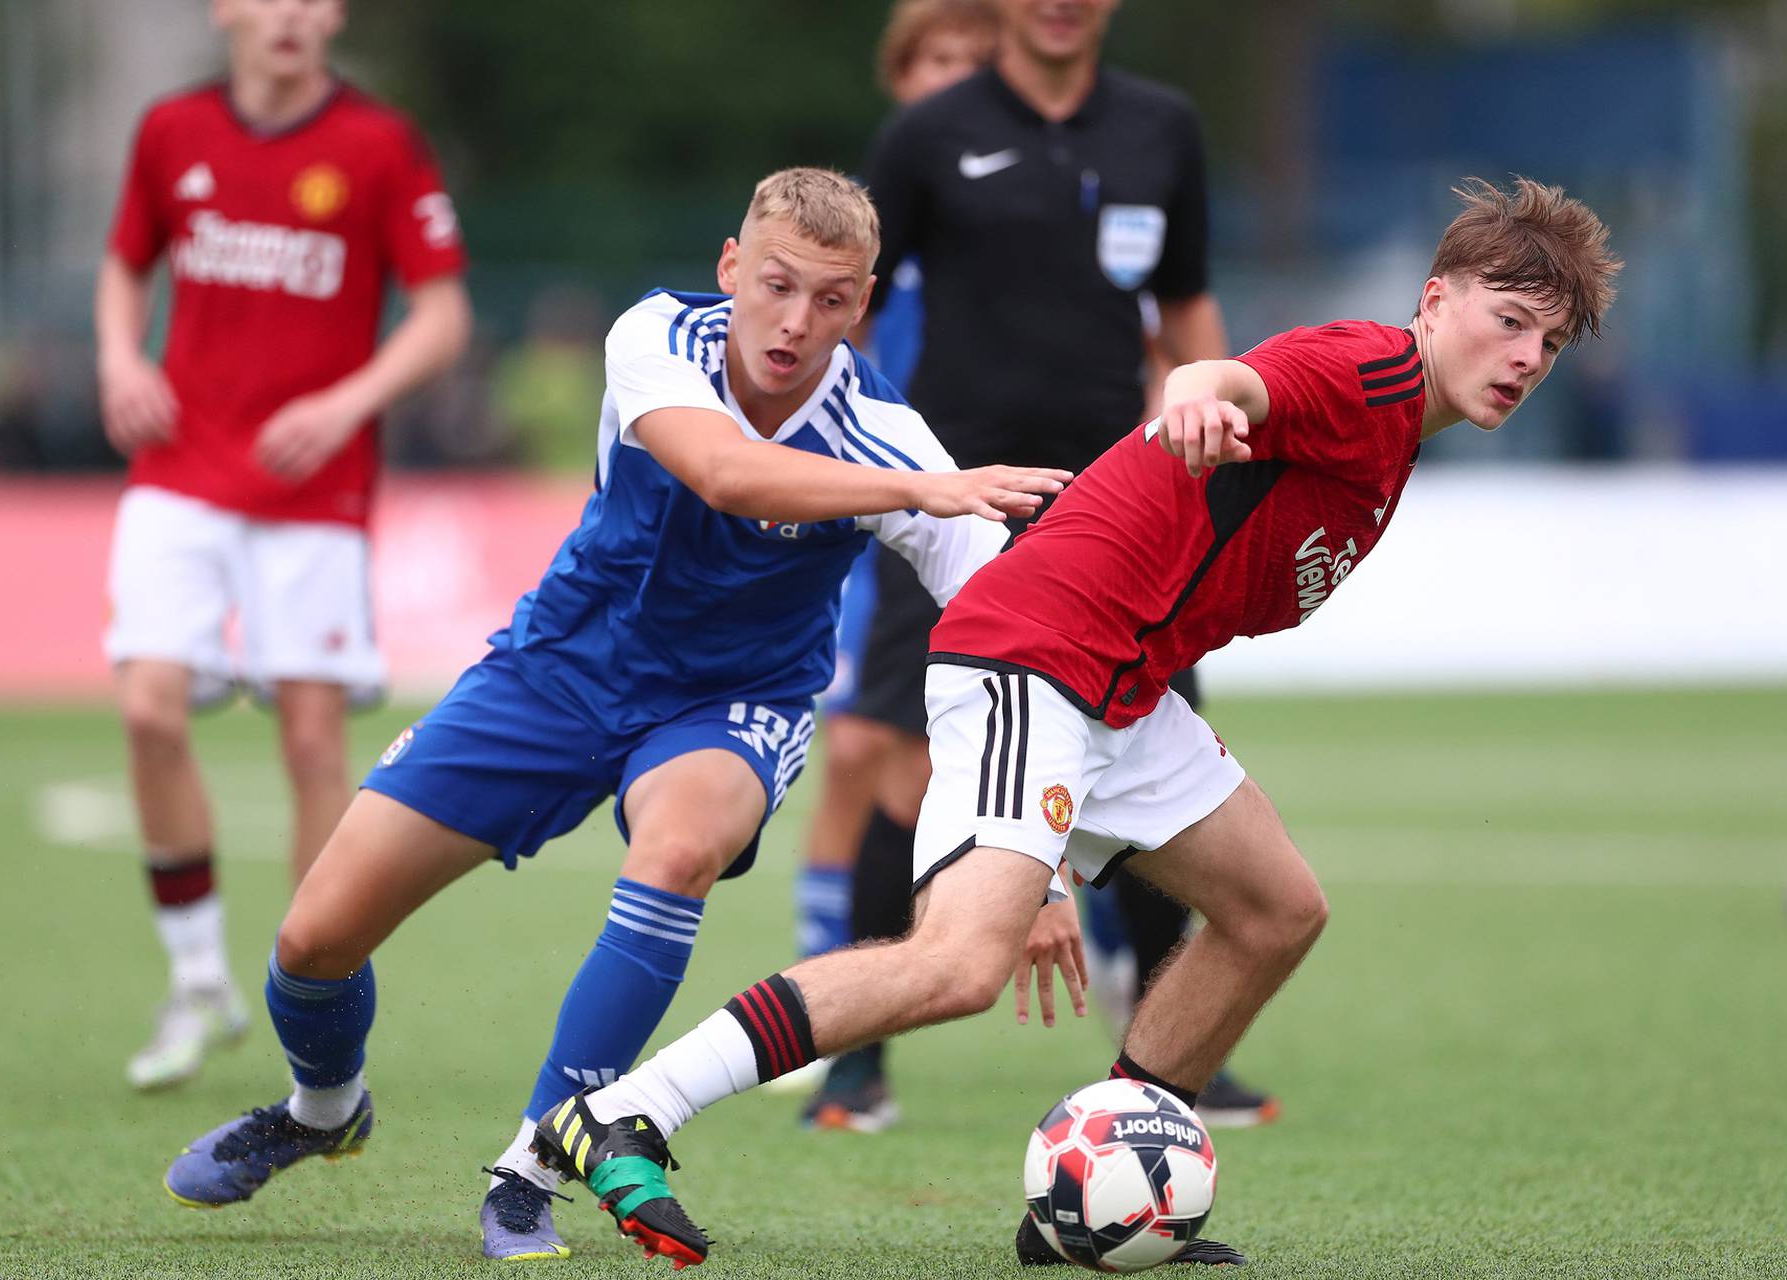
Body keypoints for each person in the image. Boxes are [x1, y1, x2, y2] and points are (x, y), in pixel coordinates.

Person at [533, 176, 1623, 1271]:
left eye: (1551, 340)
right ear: (1435, 300)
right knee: (962, 963)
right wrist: (1200, 394)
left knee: (1276, 908)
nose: (1527, 356)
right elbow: (1233, 375)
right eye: (1509, 318)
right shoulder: (1371, 369)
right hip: (1037, 652)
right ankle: (628, 1109)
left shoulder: (1398, 441)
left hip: (1120, 684)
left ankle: (1101, 1195)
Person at [157, 167, 1073, 1263]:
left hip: (733, 703)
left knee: (680, 844)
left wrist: (1041, 868)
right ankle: (322, 1108)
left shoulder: (891, 436)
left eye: (831, 300)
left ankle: (532, 1164)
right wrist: (917, 490)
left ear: (863, 304)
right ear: (732, 267)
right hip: (556, 666)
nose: (795, 322)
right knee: (312, 940)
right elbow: (724, 472)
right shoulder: (659, 337)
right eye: (776, 284)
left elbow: (1011, 640)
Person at [802, 0, 1276, 1134]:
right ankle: (856, 1064)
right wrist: (860, 459)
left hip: (1129, 504)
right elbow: (851, 310)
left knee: (1162, 755)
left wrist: (1220, 403)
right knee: (906, 759)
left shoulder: (1163, 127)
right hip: (954, 500)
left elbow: (1186, 307)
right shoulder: (929, 131)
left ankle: (1166, 1052)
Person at [97, 0, 471, 1091]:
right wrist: (122, 357)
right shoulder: (172, 131)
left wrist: (347, 401)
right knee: (146, 705)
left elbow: (440, 314)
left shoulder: (378, 143)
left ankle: (302, 994)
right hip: (178, 468)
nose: (292, 17)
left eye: (314, 1)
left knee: (311, 740)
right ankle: (197, 977)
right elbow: (125, 262)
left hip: (316, 490)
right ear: (228, 12)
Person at [786, 0, 1000, 1117]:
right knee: (864, 747)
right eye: (937, 62)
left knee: (908, 753)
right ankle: (832, 997)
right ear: (902, 77)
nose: (956, 79)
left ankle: (1128, 985)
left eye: (975, 61)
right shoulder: (869, 250)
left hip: (963, 508)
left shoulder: (1003, 221)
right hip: (883, 512)